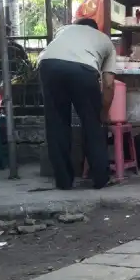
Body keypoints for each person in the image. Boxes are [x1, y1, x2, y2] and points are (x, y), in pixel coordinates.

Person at [38, 18, 116, 190]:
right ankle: (101, 179)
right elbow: (109, 83)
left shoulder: (64, 30)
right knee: (92, 125)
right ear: (96, 29)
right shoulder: (105, 40)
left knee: (56, 125)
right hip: (83, 70)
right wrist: (103, 112)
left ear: (77, 26)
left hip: (48, 66)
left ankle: (63, 182)